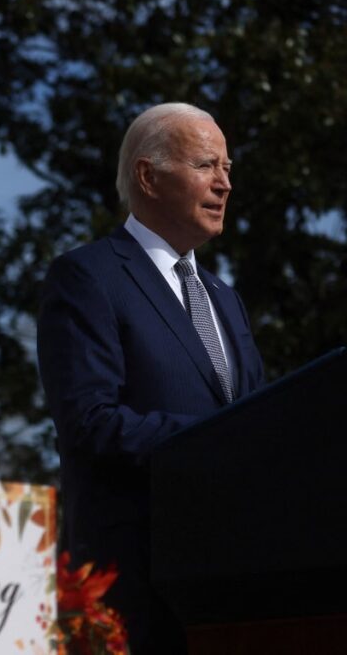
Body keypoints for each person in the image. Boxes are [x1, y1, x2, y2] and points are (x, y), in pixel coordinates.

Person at [36, 103, 264, 653]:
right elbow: (90, 424)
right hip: (136, 588)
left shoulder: (226, 300)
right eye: (208, 165)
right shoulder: (87, 277)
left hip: (237, 587)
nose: (225, 184)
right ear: (148, 176)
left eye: (229, 168)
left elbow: (258, 419)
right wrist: (219, 443)